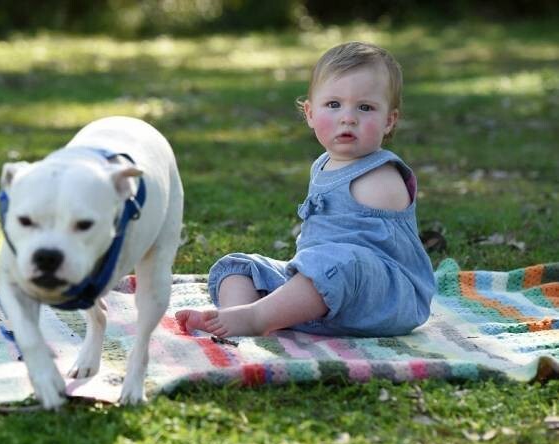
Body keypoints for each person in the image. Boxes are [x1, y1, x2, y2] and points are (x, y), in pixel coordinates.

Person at [176, 41, 435, 338]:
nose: (348, 117)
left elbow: (364, 254)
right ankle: (236, 315)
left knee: (332, 264)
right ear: (310, 113)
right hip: (321, 290)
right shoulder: (323, 164)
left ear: (389, 121)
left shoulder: (383, 176)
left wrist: (316, 268)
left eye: (365, 107)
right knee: (241, 266)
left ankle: (259, 316)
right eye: (334, 105)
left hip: (384, 298)